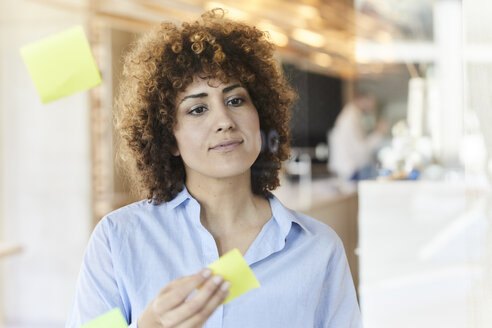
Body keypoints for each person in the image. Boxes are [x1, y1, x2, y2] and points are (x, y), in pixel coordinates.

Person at [67, 9, 362, 328]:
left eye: (236, 101)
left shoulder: (318, 247)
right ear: (169, 139)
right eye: (197, 109)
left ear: (260, 116)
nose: (224, 121)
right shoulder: (119, 239)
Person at [329, 93, 386, 180]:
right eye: (371, 101)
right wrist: (378, 133)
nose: (372, 107)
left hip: (347, 169)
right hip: (351, 170)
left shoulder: (351, 116)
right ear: (362, 100)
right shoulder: (350, 119)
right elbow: (361, 150)